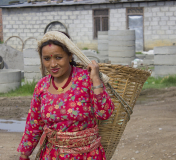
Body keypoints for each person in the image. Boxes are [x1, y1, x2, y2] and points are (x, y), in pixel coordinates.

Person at [17, 31, 114, 160]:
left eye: (58, 57)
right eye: (47, 59)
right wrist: (24, 154)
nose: (52, 64)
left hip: (87, 155)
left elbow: (104, 114)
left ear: (70, 56)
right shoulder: (42, 86)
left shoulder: (86, 79)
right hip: (52, 155)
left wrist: (96, 79)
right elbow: (34, 124)